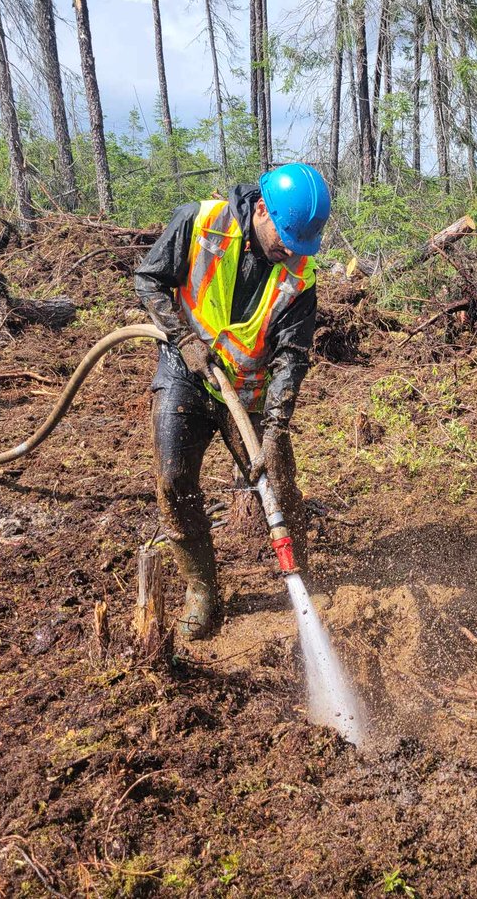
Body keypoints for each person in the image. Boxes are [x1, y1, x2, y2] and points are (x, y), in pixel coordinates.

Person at [134, 163, 331, 639]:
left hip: (248, 390)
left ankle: (302, 581)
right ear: (262, 209)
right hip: (186, 370)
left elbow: (291, 356)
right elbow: (149, 280)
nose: (289, 254)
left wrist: (276, 428)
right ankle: (202, 590)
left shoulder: (299, 276)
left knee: (278, 483)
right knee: (174, 479)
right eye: (285, 241)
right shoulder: (201, 224)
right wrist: (183, 340)